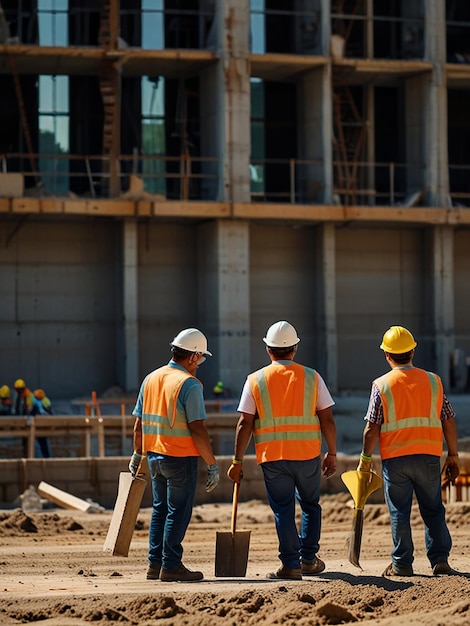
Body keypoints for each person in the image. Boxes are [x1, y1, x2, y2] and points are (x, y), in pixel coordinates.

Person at [227, 321, 337, 581]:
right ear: (295, 348)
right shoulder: (312, 377)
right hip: (308, 454)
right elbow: (327, 419)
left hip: (273, 457)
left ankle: (290, 564)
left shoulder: (255, 380)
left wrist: (237, 460)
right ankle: (308, 559)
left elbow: (244, 423)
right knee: (310, 505)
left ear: (268, 349)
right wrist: (331, 452)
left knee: (283, 510)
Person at [358, 325, 460, 577]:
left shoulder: (381, 385)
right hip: (428, 457)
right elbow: (448, 419)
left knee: (399, 511)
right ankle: (440, 560)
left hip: (396, 460)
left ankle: (402, 563)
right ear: (413, 351)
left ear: (387, 355)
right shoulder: (433, 381)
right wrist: (453, 455)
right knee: (433, 509)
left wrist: (365, 460)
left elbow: (372, 428)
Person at [129, 328, 220, 582]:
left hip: (155, 456)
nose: (200, 364)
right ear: (192, 357)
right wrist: (212, 464)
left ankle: (154, 565)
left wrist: (138, 455)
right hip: (180, 459)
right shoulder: (189, 385)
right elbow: (198, 429)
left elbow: (139, 424)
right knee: (178, 511)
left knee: (160, 510)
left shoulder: (151, 378)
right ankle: (171, 565)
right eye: (201, 359)